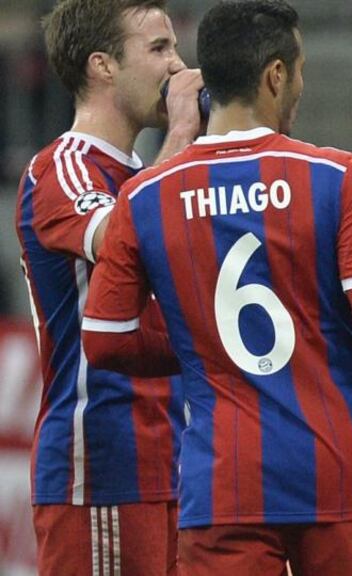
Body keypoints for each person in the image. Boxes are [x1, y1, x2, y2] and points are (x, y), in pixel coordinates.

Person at [79, 1, 352, 574]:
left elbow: (105, 339)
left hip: (222, 484)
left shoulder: (146, 195)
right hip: (338, 472)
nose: (300, 84)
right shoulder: (336, 175)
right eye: (299, 69)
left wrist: (196, 346)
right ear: (275, 74)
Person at [15, 0, 203, 573]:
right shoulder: (62, 168)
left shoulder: (144, 174)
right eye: (158, 49)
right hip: (101, 466)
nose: (177, 67)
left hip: (171, 461)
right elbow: (126, 237)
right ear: (103, 66)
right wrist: (184, 135)